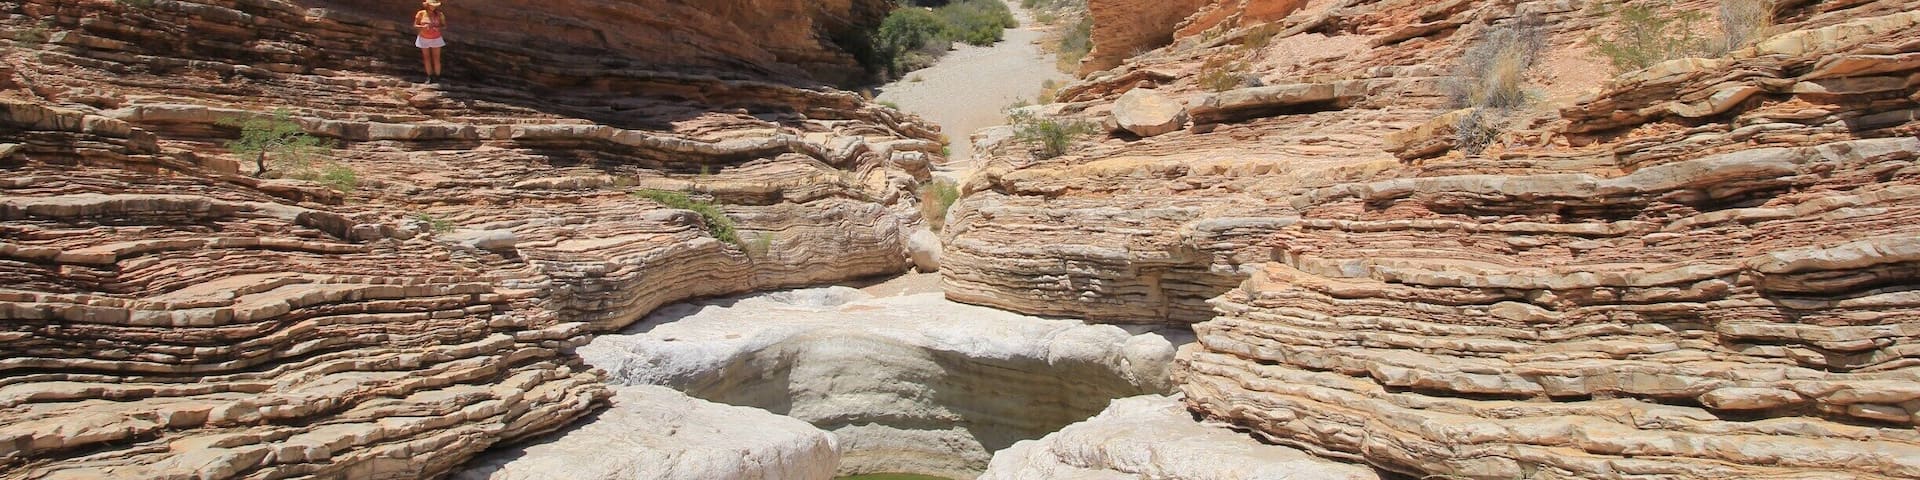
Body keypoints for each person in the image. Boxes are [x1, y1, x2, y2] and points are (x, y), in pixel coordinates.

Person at [413, 0, 447, 83]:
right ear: (427, 5)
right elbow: (415, 25)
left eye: (434, 5)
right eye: (432, 5)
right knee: (426, 58)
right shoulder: (421, 13)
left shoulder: (439, 14)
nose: (433, 7)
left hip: (436, 38)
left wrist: (438, 28)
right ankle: (430, 76)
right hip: (424, 37)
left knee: (436, 58)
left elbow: (444, 25)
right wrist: (422, 27)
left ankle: (438, 76)